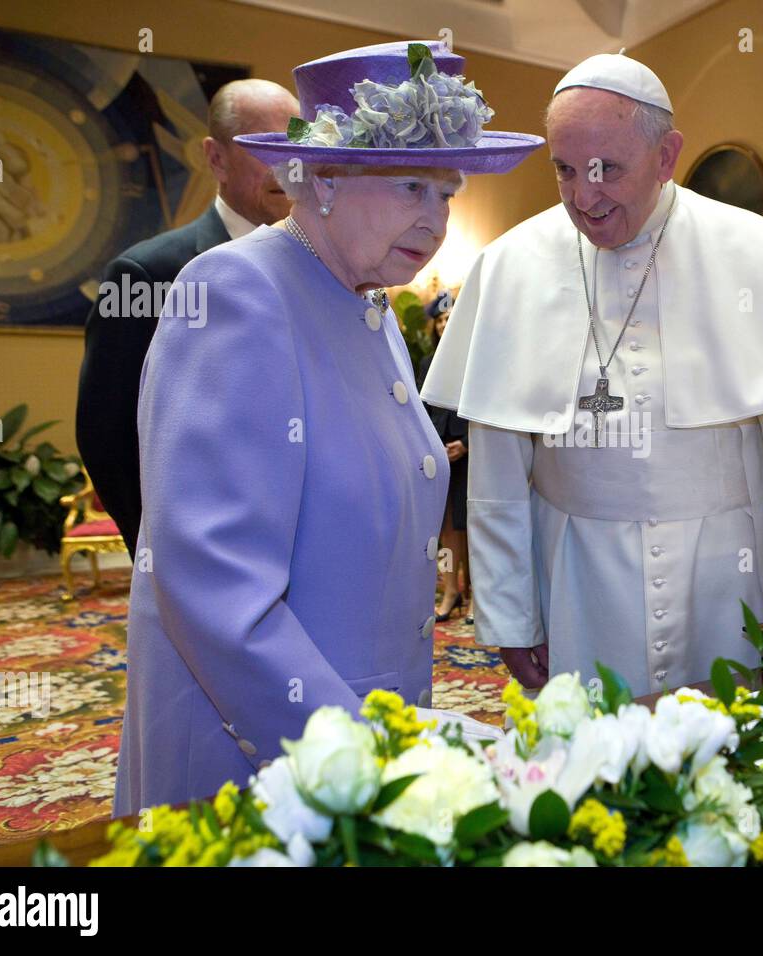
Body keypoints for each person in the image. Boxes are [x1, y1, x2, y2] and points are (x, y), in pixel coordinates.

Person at [114, 41, 543, 814]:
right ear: (325, 178)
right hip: (261, 750)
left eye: (446, 191)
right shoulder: (234, 292)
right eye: (414, 185)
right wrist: (363, 751)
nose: (438, 218)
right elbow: (217, 592)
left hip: (360, 731)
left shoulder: (367, 301)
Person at [423, 53, 763, 696]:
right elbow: (500, 464)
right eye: (564, 171)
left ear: (667, 155)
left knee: (740, 762)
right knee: (598, 767)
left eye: (606, 171)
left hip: (730, 571)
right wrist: (511, 614)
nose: (583, 198)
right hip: (579, 576)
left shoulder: (750, 248)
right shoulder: (511, 265)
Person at [76, 79, 299, 556]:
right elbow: (108, 436)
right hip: (199, 552)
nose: (288, 166)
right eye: (266, 148)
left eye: (297, 146)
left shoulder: (325, 270)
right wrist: (163, 553)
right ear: (215, 157)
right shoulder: (147, 274)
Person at [415, 293, 473, 622]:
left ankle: (476, 595)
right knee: (447, 529)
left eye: (450, 319)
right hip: (441, 453)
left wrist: (465, 444)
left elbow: (485, 411)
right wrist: (436, 447)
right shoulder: (427, 363)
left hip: (471, 451)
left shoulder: (475, 357)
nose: (444, 324)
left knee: (472, 527)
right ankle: (451, 589)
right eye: (440, 320)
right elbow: (421, 409)